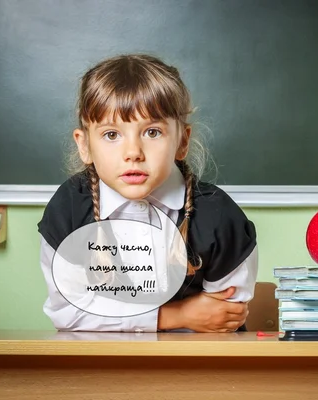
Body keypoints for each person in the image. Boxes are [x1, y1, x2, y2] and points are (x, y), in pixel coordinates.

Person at [37, 54, 258, 333]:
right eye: (111, 135)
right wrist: (177, 316)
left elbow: (223, 317)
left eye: (152, 132)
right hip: (101, 370)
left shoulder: (218, 217)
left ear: (182, 141)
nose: (133, 153)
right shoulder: (68, 210)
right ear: (84, 146)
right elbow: (68, 313)